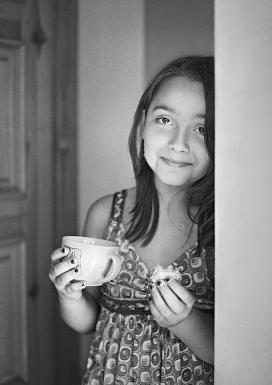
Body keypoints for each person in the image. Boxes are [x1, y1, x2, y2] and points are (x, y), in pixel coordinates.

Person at [49, 55, 215, 384]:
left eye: (201, 128)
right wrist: (69, 295)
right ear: (142, 126)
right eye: (165, 120)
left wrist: (184, 321)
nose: (178, 144)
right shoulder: (104, 214)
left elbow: (237, 352)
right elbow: (89, 321)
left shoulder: (227, 228)